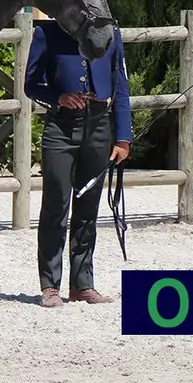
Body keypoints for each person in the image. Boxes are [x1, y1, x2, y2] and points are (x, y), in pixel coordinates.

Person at [24, 20, 131, 308]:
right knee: (56, 205)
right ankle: (50, 285)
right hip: (61, 127)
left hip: (98, 126)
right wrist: (57, 96)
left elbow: (120, 85)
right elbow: (31, 84)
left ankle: (82, 284)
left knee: (88, 208)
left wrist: (123, 137)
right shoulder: (47, 34)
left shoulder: (112, 34)